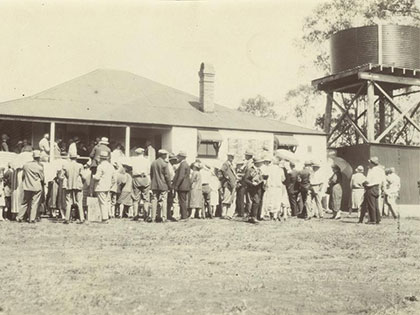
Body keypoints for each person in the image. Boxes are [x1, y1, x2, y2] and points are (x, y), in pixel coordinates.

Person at [16, 150, 45, 223]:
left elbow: (23, 176)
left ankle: (19, 217)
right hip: (36, 186)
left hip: (27, 186)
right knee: (34, 203)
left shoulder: (26, 165)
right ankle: (32, 218)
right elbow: (42, 178)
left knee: (24, 202)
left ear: (33, 157)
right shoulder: (40, 167)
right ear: (39, 158)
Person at [149, 149, 172, 222]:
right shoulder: (165, 164)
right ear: (163, 155)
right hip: (163, 185)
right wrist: (169, 186)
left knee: (153, 201)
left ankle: (153, 217)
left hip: (154, 185)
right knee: (163, 201)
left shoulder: (153, 163)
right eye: (165, 155)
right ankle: (164, 217)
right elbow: (167, 176)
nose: (166, 156)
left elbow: (151, 174)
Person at [63, 152, 85, 224]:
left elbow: (61, 176)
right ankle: (82, 218)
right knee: (79, 202)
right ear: (76, 158)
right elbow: (83, 176)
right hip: (78, 184)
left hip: (68, 185)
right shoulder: (80, 165)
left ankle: (67, 218)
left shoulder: (66, 165)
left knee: (68, 202)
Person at [359, 156, 382, 225]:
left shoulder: (371, 170)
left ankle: (372, 220)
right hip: (377, 187)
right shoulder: (380, 170)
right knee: (376, 205)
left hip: (371, 187)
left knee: (371, 204)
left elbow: (368, 180)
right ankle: (378, 219)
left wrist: (363, 183)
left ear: (372, 163)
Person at [93, 151, 114, 223]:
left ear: (101, 158)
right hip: (108, 186)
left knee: (102, 202)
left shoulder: (100, 166)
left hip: (100, 186)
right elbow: (113, 178)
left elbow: (97, 177)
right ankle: (108, 215)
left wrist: (93, 176)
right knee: (107, 201)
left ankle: (105, 218)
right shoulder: (111, 166)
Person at [131, 147, 150, 220]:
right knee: (146, 198)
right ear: (143, 153)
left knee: (136, 198)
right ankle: (146, 215)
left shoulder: (133, 160)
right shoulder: (146, 160)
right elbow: (148, 171)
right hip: (144, 178)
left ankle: (135, 215)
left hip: (136, 178)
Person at [243, 156, 264, 224]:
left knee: (257, 202)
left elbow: (260, 178)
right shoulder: (250, 170)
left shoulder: (259, 170)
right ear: (256, 163)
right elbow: (245, 179)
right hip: (252, 188)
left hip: (259, 188)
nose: (261, 164)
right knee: (255, 202)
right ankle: (253, 217)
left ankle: (253, 216)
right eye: (260, 163)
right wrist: (252, 183)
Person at [173, 151, 191, 220]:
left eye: (179, 156)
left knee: (182, 201)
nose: (178, 158)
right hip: (185, 185)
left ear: (182, 157)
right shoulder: (186, 164)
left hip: (182, 186)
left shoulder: (183, 165)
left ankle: (184, 216)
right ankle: (184, 215)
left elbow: (181, 176)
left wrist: (176, 185)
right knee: (184, 201)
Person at [220, 152, 237, 219]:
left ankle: (229, 214)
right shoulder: (226, 164)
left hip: (232, 184)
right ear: (228, 157)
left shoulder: (232, 165)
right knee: (226, 199)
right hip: (227, 184)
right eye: (231, 156)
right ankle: (224, 214)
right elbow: (222, 170)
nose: (232, 158)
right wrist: (227, 177)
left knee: (231, 199)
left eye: (232, 157)